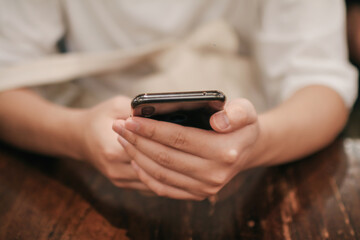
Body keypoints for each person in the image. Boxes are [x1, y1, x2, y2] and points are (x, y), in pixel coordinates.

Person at [0, 0, 357, 200]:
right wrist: (77, 134)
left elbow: (321, 82)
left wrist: (258, 143)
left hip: (266, 148)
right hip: (89, 151)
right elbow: (7, 73)